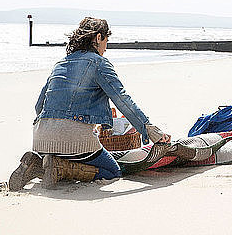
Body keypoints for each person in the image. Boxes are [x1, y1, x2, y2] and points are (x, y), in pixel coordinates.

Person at [9, 17, 171, 190]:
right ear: (99, 38)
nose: (106, 48)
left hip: (40, 140)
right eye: (106, 41)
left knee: (65, 155)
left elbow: (38, 106)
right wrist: (150, 130)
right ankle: (61, 169)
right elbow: (122, 99)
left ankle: (40, 166)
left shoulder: (61, 64)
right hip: (75, 140)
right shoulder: (99, 63)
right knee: (112, 170)